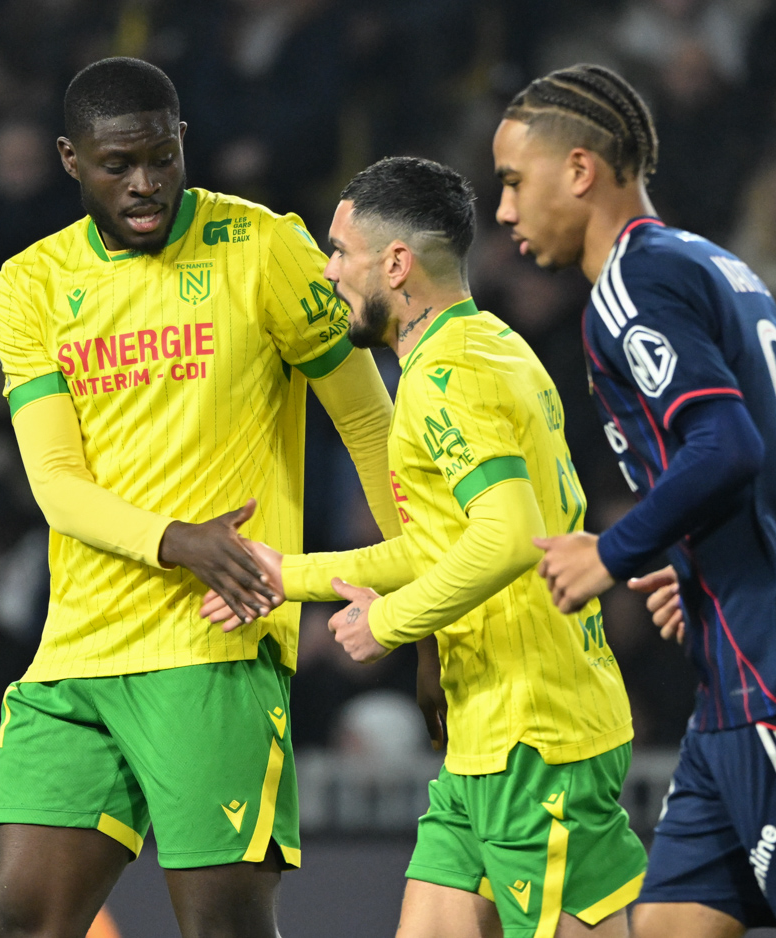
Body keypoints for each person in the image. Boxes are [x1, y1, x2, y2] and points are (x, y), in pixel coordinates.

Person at [496, 64, 776, 938]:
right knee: (666, 927)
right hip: (738, 685)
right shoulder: (719, 266)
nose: (503, 210)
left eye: (512, 181)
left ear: (578, 170)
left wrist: (613, 552)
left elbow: (725, 443)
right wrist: (721, 553)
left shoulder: (632, 287)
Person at [0, 57, 398, 938]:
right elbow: (56, 484)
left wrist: (424, 591)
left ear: (182, 142)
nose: (145, 184)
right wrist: (179, 539)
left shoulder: (264, 248)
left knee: (223, 929)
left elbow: (370, 424)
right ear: (70, 159)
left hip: (215, 646)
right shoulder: (31, 284)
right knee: (18, 923)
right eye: (117, 165)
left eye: (161, 158)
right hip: (77, 654)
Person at [203, 156, 645, 938]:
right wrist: (285, 576)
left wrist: (389, 623)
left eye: (341, 252)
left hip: (535, 737)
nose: (328, 272)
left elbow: (508, 540)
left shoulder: (449, 377)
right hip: (486, 737)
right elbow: (445, 545)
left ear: (396, 264)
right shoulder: (489, 346)